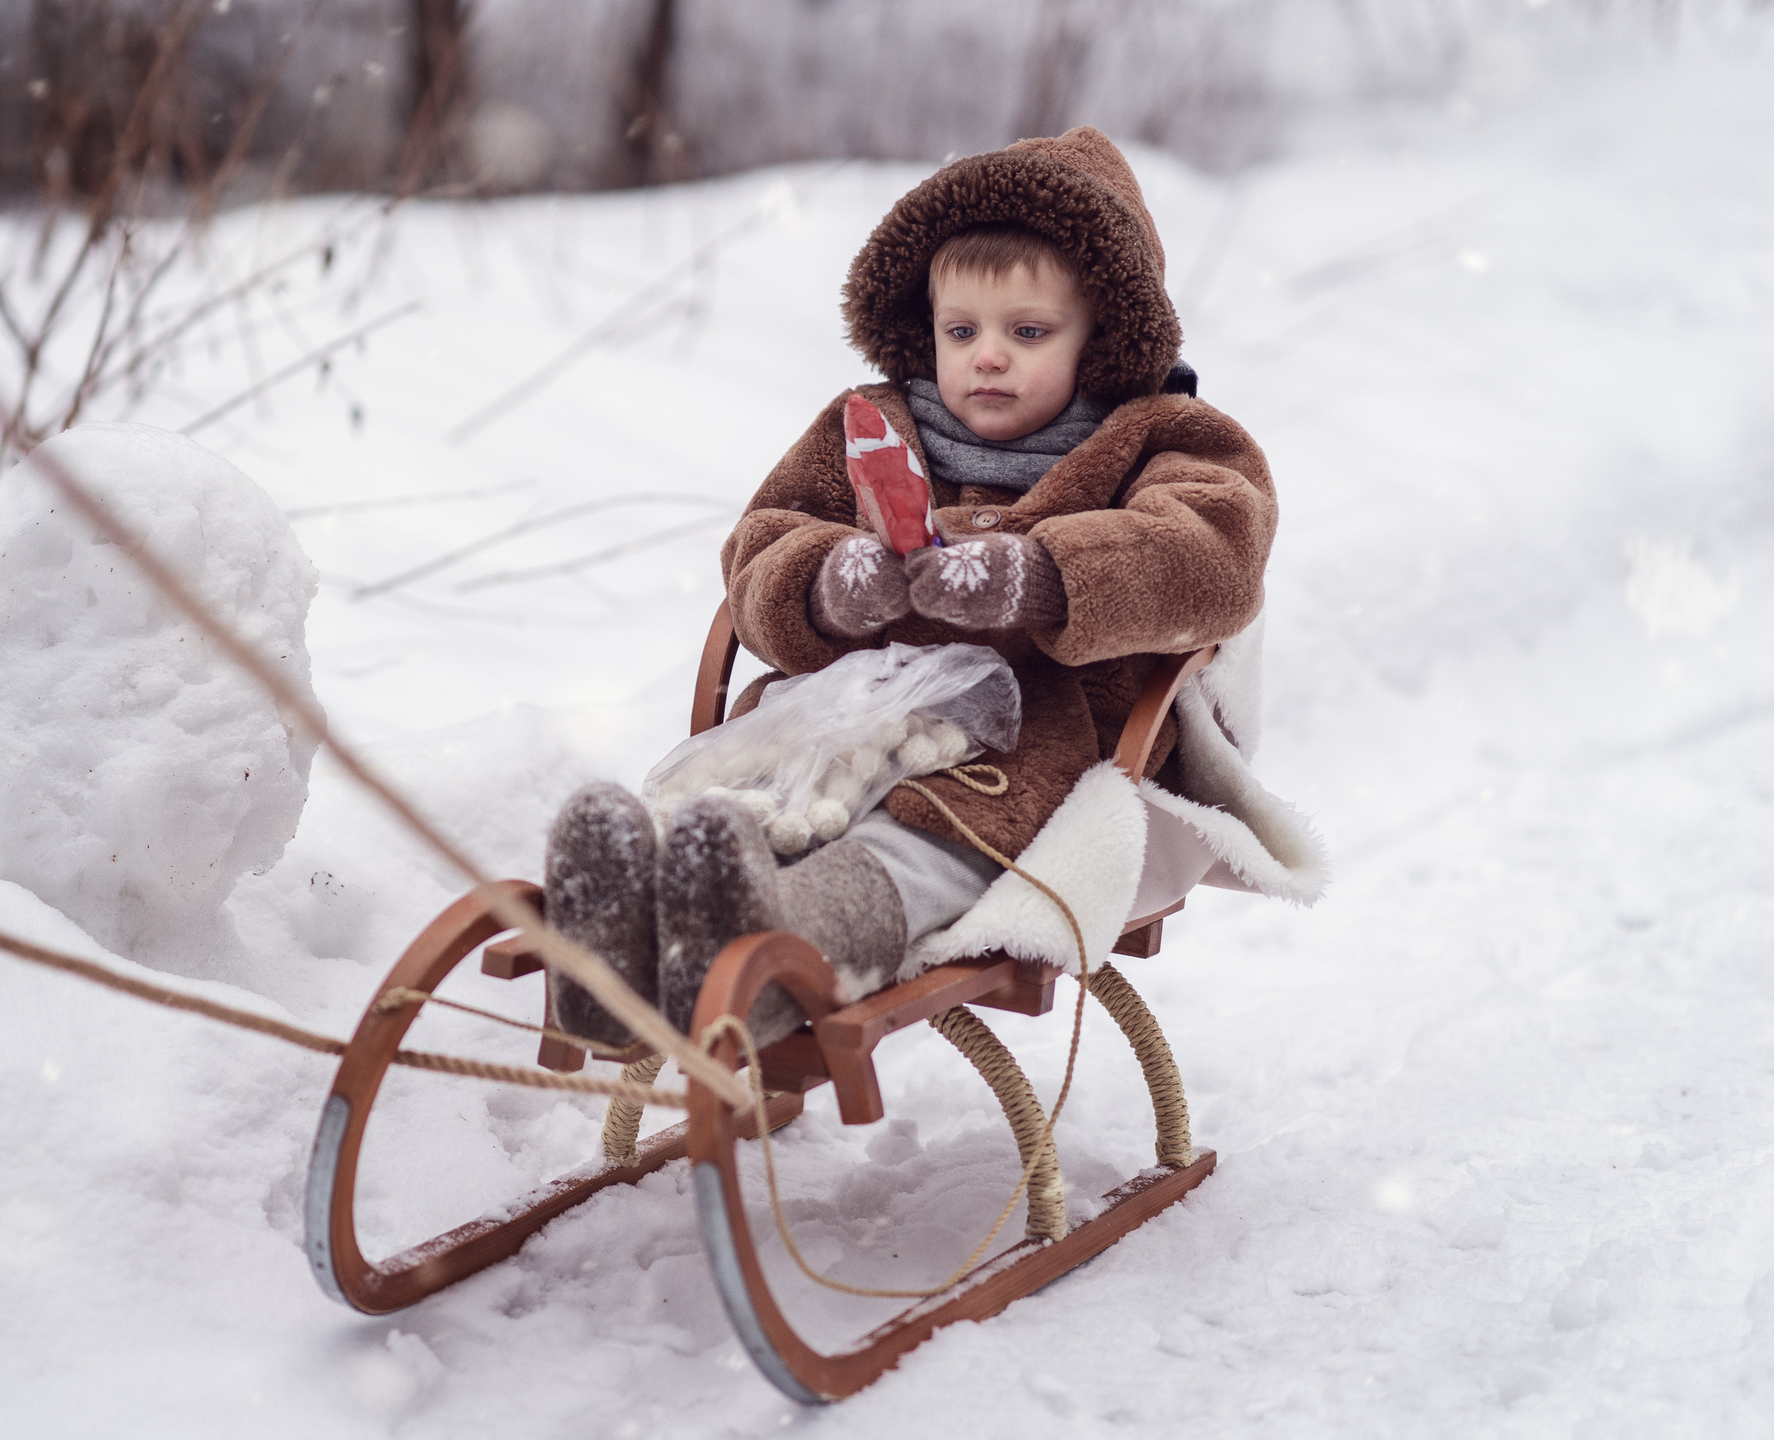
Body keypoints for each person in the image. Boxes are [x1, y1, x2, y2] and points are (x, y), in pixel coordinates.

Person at [545, 127, 1276, 1049]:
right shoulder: (872, 425)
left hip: (1023, 744)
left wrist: (1043, 574)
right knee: (745, 813)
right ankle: (621, 943)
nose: (987, 357)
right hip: (840, 716)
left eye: (1028, 332)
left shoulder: (1163, 440)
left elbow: (1212, 552)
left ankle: (783, 956)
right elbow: (764, 541)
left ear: (1102, 337)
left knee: (911, 846)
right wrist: (827, 579)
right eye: (961, 331)